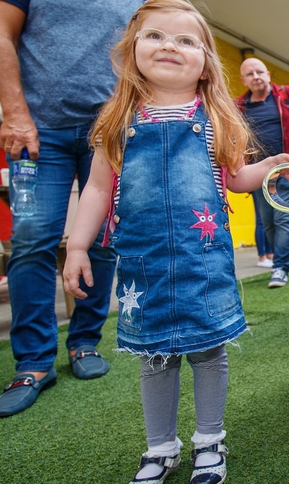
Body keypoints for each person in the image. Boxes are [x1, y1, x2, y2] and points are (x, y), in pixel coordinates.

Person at [61, 2, 289, 483]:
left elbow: (237, 179)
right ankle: (160, 448)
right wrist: (76, 246)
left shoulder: (217, 119)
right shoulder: (116, 122)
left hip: (204, 264)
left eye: (185, 40)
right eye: (155, 36)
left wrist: (273, 166)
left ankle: (209, 441)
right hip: (143, 267)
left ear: (205, 62)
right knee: (154, 357)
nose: (170, 46)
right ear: (132, 50)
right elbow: (96, 188)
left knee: (208, 351)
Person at [0, 0, 142, 418]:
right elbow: (3, 34)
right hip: (39, 128)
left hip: (112, 127)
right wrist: (14, 113)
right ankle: (34, 362)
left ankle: (85, 341)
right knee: (31, 238)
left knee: (103, 238)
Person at [237, 57, 289, 287]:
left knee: (283, 218)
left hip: (287, 168)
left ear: (268, 74)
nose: (256, 77)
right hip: (258, 174)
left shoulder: (287, 96)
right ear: (243, 80)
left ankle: (280, 268)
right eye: (250, 74)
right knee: (268, 223)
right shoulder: (239, 107)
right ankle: (279, 261)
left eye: (259, 72)